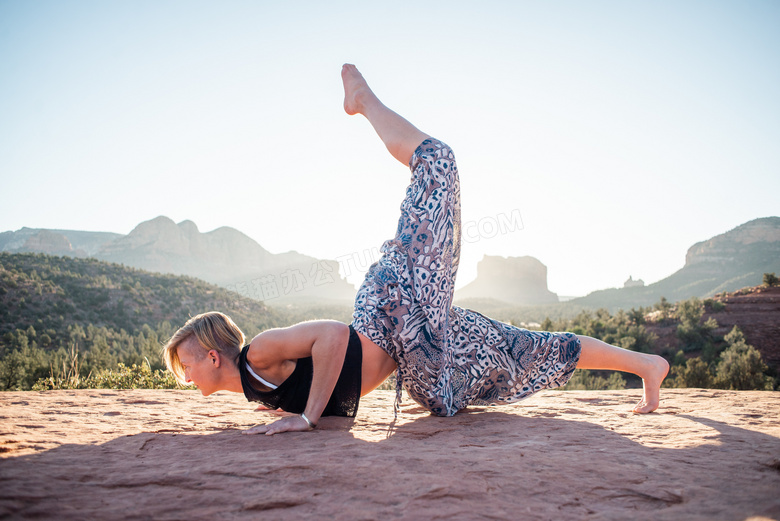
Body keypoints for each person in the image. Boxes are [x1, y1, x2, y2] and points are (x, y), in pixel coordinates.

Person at [163, 64, 670, 436]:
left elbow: (335, 338)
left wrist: (306, 418)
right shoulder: (255, 388)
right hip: (424, 357)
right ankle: (648, 365)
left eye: (184, 363)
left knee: (439, 164)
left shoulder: (260, 352)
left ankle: (363, 101)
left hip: (398, 301)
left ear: (211, 356)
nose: (182, 373)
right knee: (527, 350)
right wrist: (285, 409)